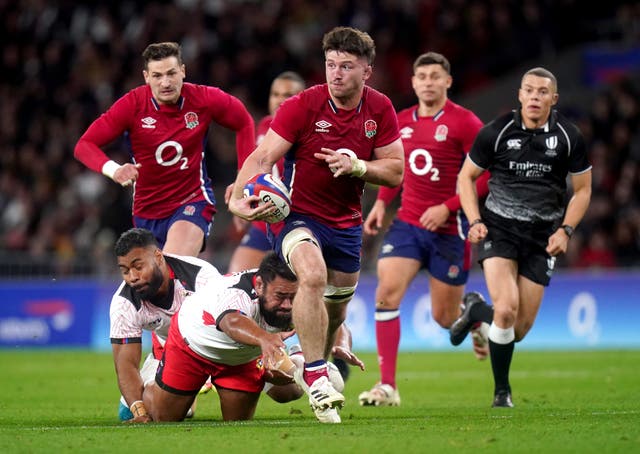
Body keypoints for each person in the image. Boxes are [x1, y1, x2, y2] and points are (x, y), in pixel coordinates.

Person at [227, 26, 404, 422]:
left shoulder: (380, 109)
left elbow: (395, 172)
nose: (336, 73)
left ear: (366, 71)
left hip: (346, 223)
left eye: (346, 66)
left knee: (336, 311)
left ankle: (316, 364)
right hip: (297, 216)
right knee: (311, 273)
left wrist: (358, 165)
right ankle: (317, 376)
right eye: (330, 65)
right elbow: (261, 157)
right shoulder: (302, 106)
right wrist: (239, 201)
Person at [453, 67, 592, 408]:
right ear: (519, 95)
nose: (534, 97)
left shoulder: (569, 136)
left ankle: (474, 309)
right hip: (499, 229)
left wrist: (566, 230)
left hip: (542, 237)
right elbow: (466, 178)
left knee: (518, 330)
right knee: (506, 310)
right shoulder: (497, 132)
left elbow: (583, 190)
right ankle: (502, 392)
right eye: (528, 90)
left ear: (553, 99)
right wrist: (474, 220)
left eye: (542, 92)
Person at [357, 52, 491, 407]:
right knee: (386, 293)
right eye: (422, 76)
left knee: (445, 318)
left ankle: (474, 321)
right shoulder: (400, 122)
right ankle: (387, 386)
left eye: (435, 76)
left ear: (448, 81)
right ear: (413, 83)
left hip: (450, 231)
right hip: (408, 225)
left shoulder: (465, 122)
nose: (428, 82)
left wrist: (446, 207)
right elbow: (394, 168)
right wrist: (383, 204)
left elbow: (485, 177)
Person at [74, 41, 255, 257]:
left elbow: (244, 122)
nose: (166, 82)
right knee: (156, 286)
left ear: (183, 71)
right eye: (157, 76)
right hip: (146, 212)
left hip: (192, 202)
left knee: (172, 266)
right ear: (146, 77)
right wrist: (115, 170)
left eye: (171, 73)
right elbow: (84, 145)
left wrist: (243, 181)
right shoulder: (132, 105)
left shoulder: (204, 99)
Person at [141, 252, 341, 423]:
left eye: (293, 297)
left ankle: (300, 361)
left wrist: (340, 342)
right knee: (163, 417)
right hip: (191, 346)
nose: (287, 305)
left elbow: (326, 317)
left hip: (242, 358)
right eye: (280, 296)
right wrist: (264, 338)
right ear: (260, 285)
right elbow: (232, 323)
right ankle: (150, 377)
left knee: (237, 421)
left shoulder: (295, 297)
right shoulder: (236, 292)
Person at [110, 228, 222, 422]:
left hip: (217, 346)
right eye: (125, 271)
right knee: (127, 412)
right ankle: (187, 395)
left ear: (158, 257)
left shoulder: (202, 277)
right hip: (169, 353)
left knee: (286, 391)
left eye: (138, 266)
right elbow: (126, 365)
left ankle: (293, 358)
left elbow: (230, 320)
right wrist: (140, 413)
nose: (133, 277)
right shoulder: (124, 303)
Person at [228, 71, 306, 273]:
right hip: (266, 221)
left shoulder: (308, 132)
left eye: (288, 95)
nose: (280, 100)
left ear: (302, 97)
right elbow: (254, 168)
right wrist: (240, 190)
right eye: (275, 94)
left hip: (300, 221)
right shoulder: (264, 126)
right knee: (235, 276)